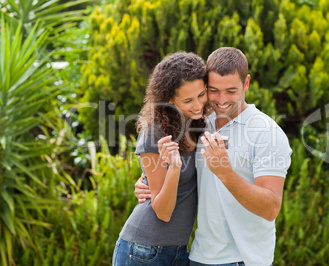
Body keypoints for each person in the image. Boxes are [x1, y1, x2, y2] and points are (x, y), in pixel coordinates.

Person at [135, 47, 292, 265]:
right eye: (213, 90)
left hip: (243, 259)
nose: (221, 100)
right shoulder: (199, 124)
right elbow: (176, 169)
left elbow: (271, 208)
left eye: (231, 91)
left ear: (246, 83)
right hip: (200, 256)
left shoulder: (266, 132)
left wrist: (226, 173)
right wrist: (147, 182)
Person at [112, 52, 211, 266]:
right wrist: (174, 168)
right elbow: (163, 212)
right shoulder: (154, 135)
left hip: (179, 250)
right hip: (143, 250)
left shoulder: (196, 123)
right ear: (169, 100)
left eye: (201, 94)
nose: (197, 105)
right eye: (187, 100)